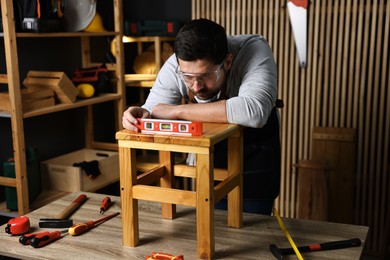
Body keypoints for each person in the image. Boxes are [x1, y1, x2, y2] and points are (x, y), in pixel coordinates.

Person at [122, 18, 281, 215]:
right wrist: (139, 113)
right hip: (211, 159)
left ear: (228, 62)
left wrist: (177, 111)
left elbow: (254, 111)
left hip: (255, 153)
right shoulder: (177, 64)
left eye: (205, 76)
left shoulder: (254, 50)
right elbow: (154, 109)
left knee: (254, 228)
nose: (196, 87)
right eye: (188, 78)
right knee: (215, 221)